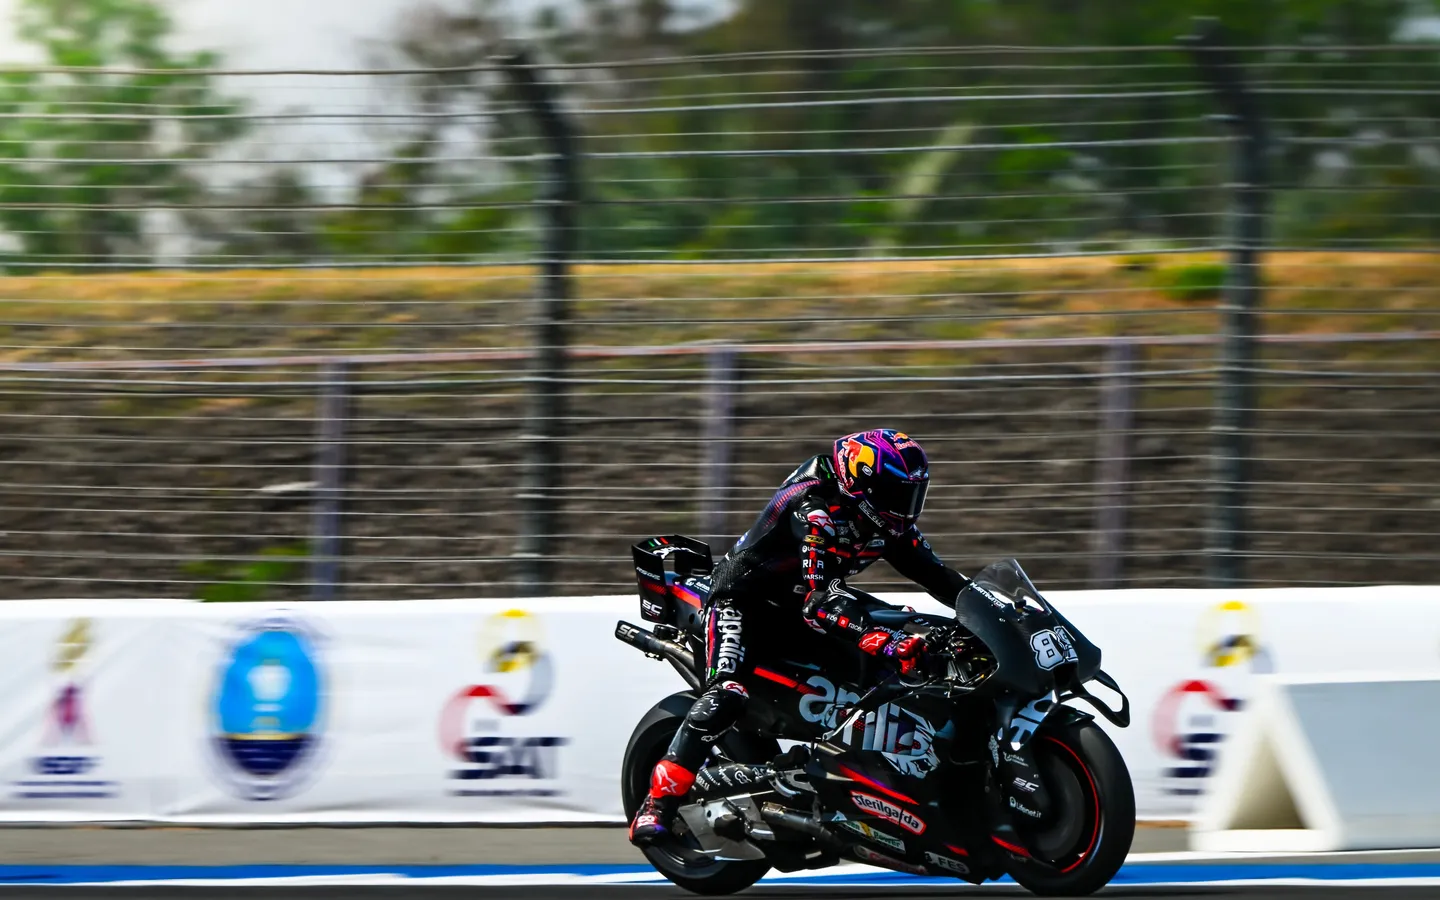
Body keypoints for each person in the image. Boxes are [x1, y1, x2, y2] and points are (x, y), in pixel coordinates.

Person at [630, 429, 972, 845]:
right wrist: (876, 637)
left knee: (915, 634)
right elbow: (821, 601)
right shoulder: (815, 511)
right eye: (895, 493)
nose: (906, 505)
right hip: (745, 603)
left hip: (801, 601)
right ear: (861, 485)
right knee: (728, 693)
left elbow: (939, 577)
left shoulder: (883, 519)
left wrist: (1002, 611)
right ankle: (659, 803)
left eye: (912, 493)